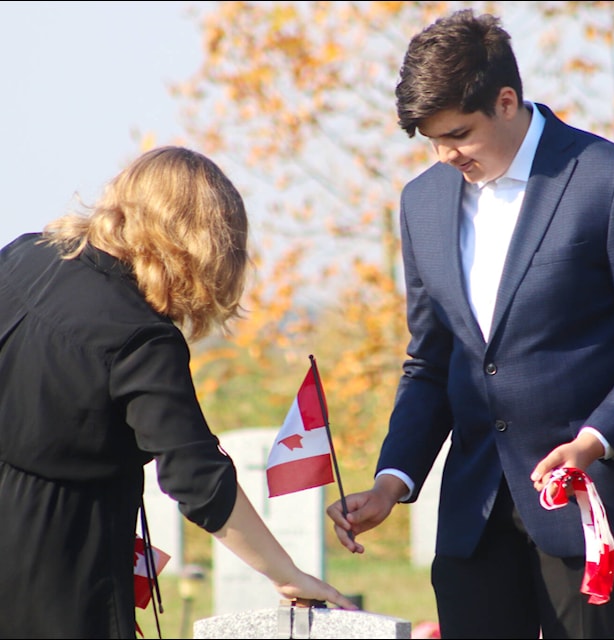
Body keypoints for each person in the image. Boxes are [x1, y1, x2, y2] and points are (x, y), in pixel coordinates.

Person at [324, 9, 614, 640]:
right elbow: (432, 361)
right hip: (474, 510)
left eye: (459, 135)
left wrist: (594, 440)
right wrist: (394, 480)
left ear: (506, 101)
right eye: (432, 140)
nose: (446, 155)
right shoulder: (421, 202)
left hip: (588, 499)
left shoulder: (611, 181)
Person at [0, 146, 358, 639]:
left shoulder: (25, 255)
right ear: (203, 242)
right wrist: (285, 572)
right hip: (61, 565)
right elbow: (197, 478)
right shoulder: (140, 337)